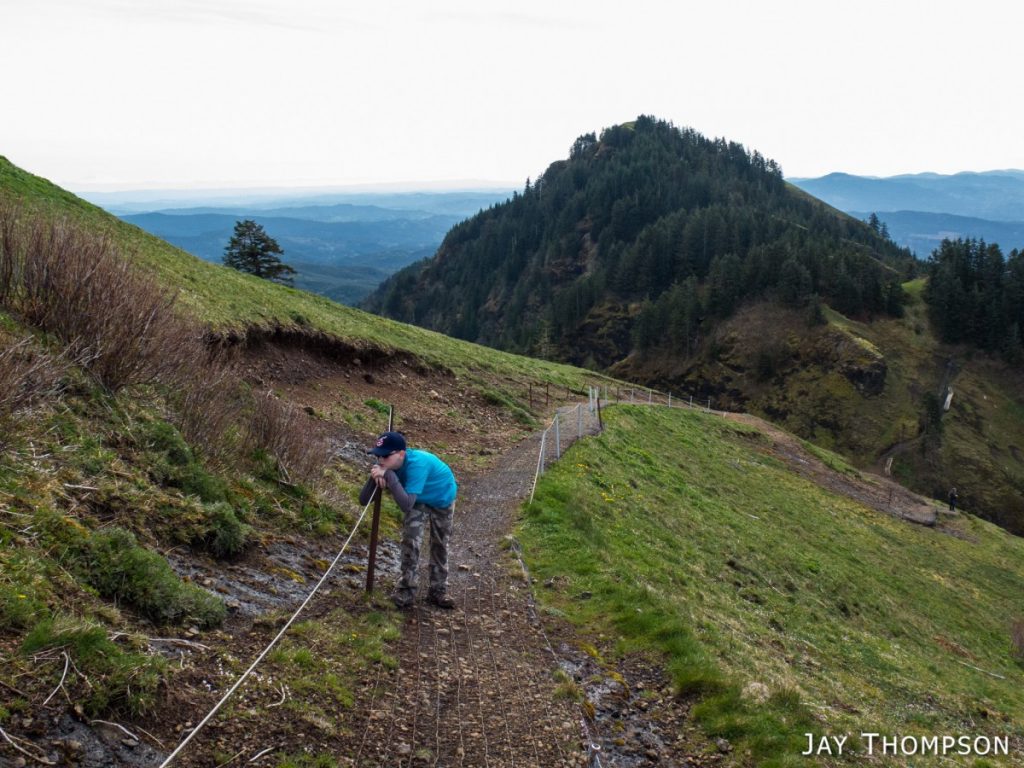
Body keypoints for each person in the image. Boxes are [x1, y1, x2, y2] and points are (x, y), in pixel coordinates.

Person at [359, 431, 458, 609]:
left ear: (401, 454)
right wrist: (374, 477)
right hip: (416, 499)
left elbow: (405, 505)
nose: (380, 460)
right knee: (410, 540)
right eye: (378, 455)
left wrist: (389, 476)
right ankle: (407, 590)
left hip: (442, 497)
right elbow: (364, 500)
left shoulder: (417, 465)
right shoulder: (386, 465)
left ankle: (438, 590)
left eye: (385, 456)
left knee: (440, 543)